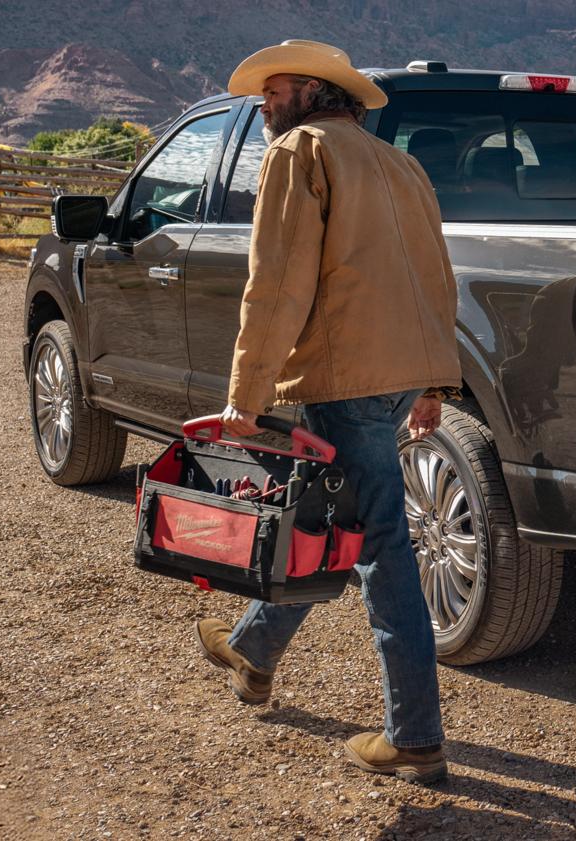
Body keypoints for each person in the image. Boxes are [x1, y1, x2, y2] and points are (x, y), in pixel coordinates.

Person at [191, 39, 462, 784]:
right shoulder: (401, 164)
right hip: (399, 373)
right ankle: (253, 649)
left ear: (313, 90)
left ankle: (415, 738)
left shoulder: (300, 152)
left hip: (344, 377)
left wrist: (246, 395)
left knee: (378, 544)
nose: (264, 105)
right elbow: (437, 277)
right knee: (329, 524)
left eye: (274, 91)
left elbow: (276, 286)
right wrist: (436, 381)